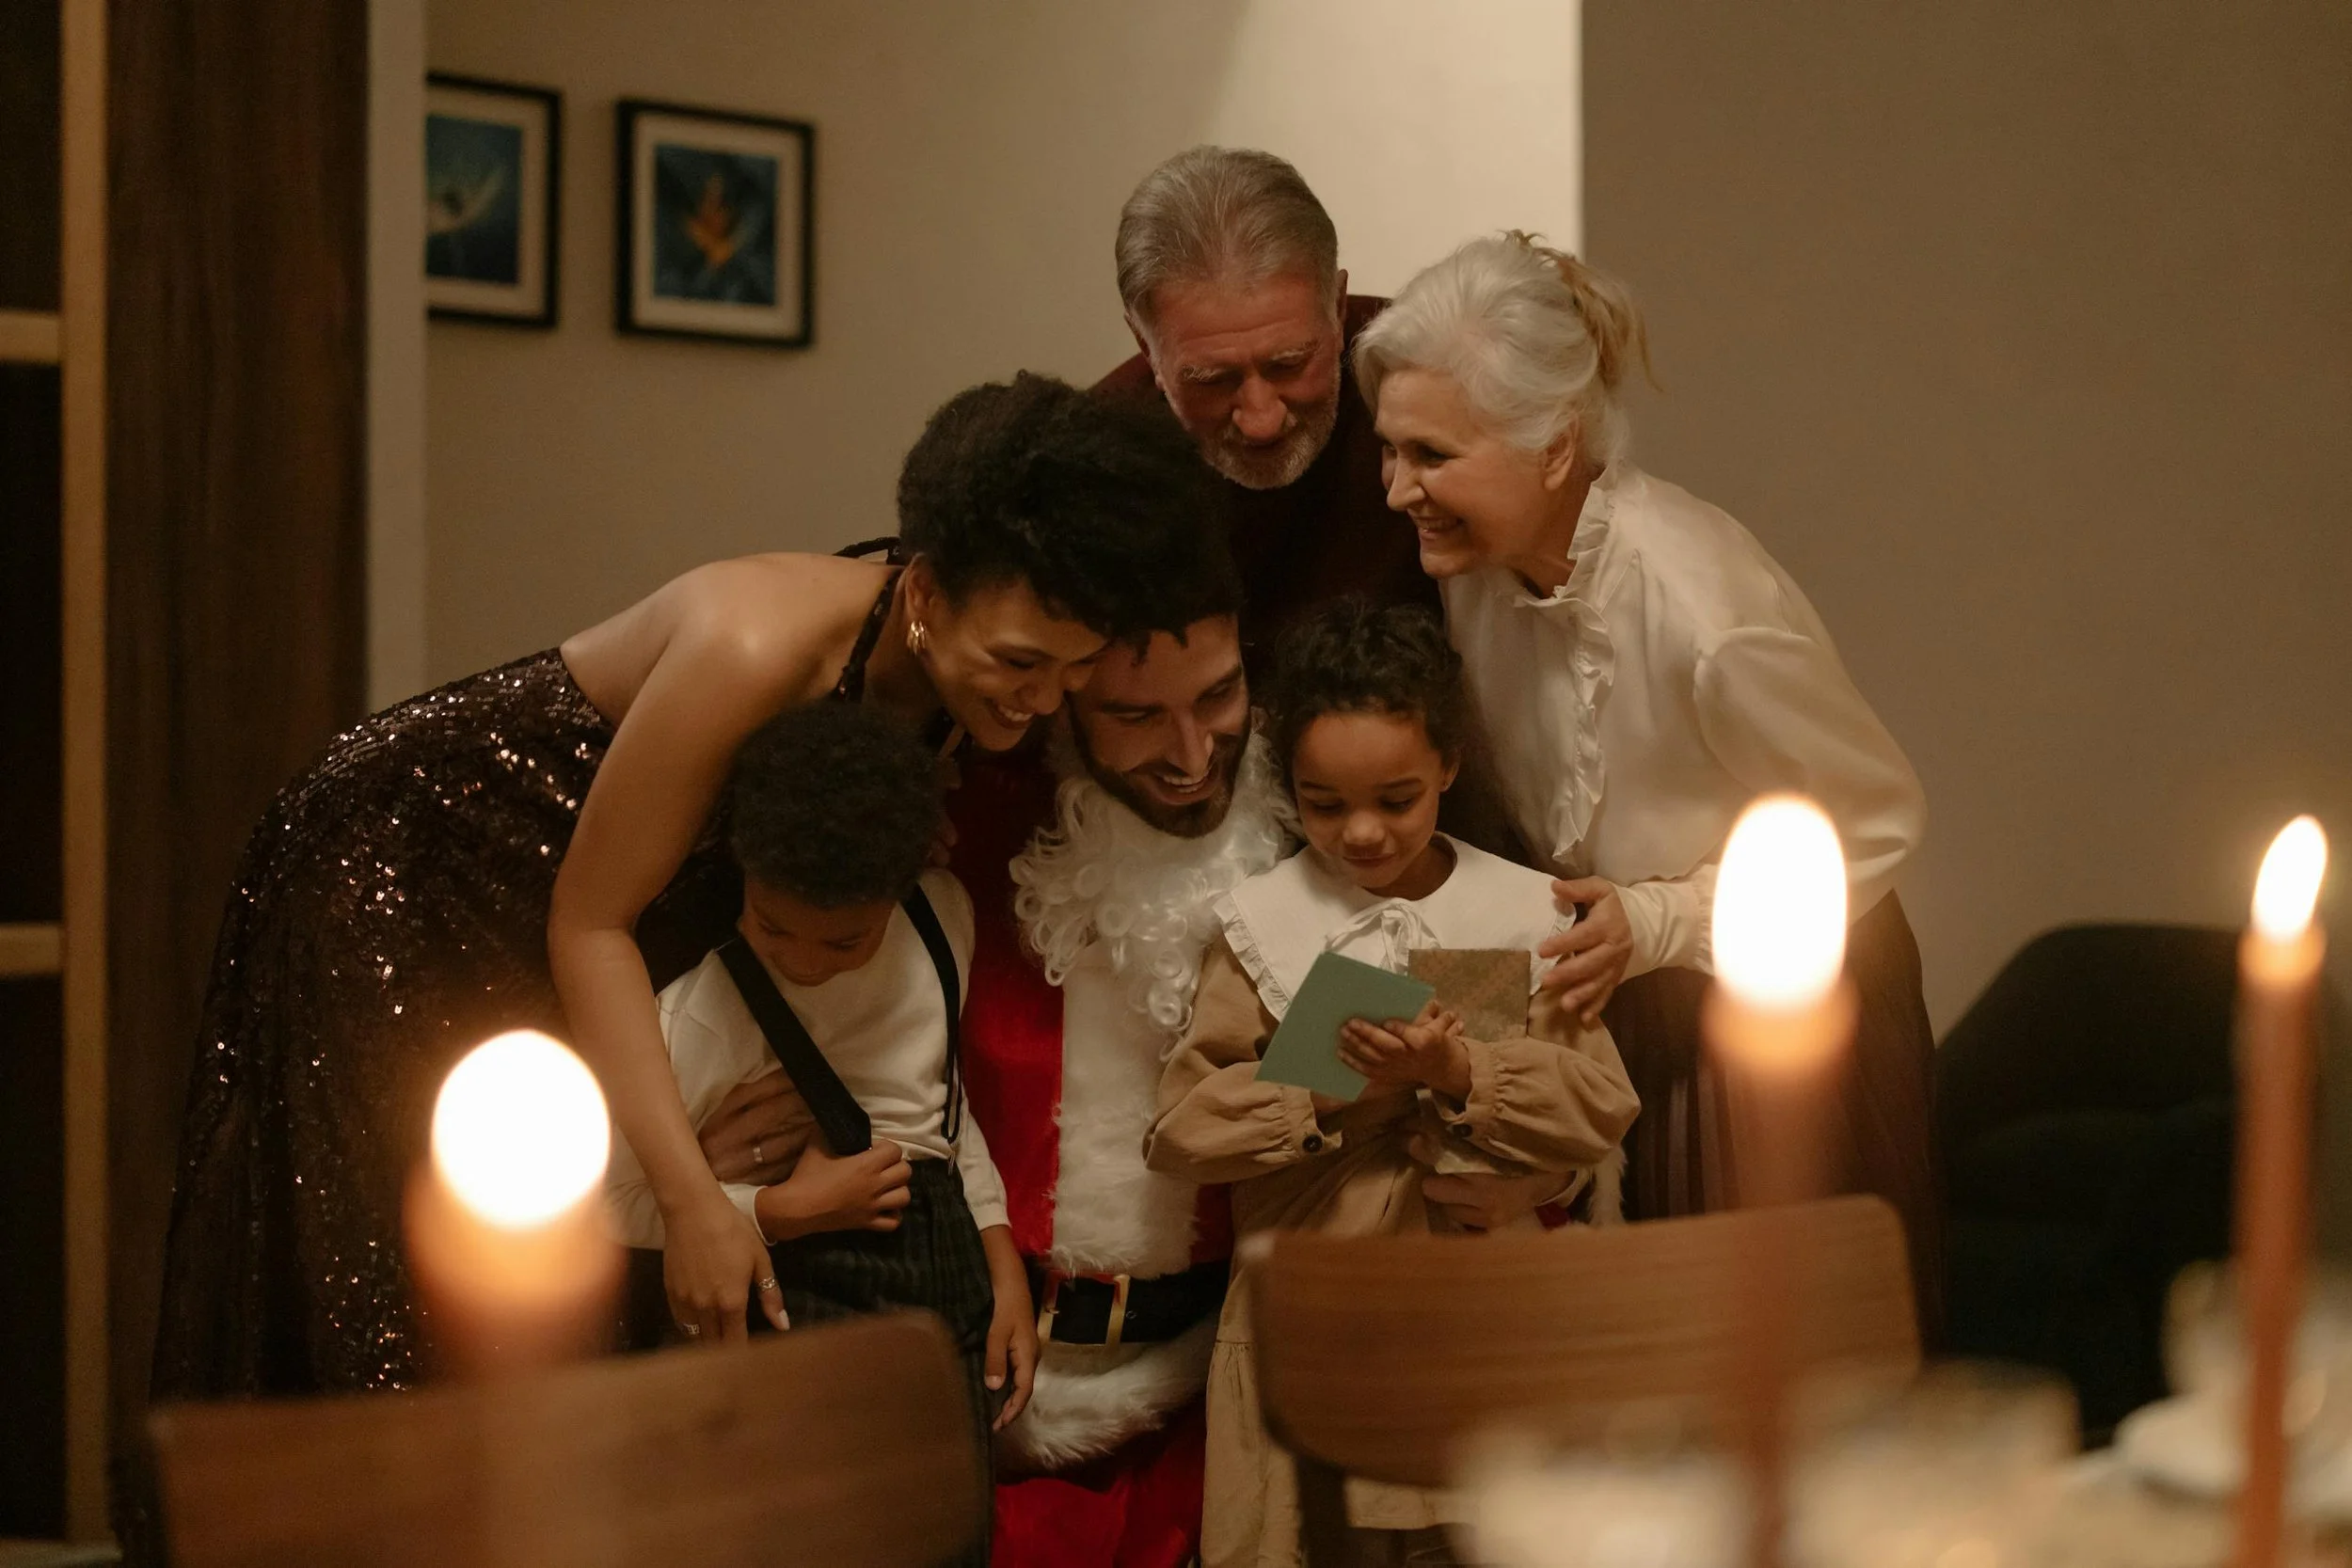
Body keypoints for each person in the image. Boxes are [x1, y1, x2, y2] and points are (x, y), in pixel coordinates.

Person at [149, 372, 1229, 1418]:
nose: (1042, 701)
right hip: (405, 859)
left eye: (1072, 670)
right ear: (924, 594)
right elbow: (592, 920)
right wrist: (692, 1199)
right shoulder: (752, 645)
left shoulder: (954, 681)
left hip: (587, 897)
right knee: (404, 1283)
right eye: (1018, 662)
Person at [1354, 231, 1944, 1332]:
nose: (1397, 492)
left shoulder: (1705, 611)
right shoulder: (1476, 578)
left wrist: (1664, 919)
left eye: (1430, 456)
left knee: (1779, 1365)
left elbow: (1874, 820)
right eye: (1389, 453)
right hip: (1617, 996)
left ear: (1553, 445)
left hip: (1786, 998)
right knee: (1640, 1370)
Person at [1146, 599, 1639, 1568]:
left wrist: (1458, 1069)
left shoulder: (1512, 910)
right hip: (1314, 1325)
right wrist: (1331, 1089)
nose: (1361, 833)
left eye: (1396, 797)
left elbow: (1597, 1102)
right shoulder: (1261, 926)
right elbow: (1181, 1130)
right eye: (1324, 803)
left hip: (1478, 1328)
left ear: (1449, 766)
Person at [603, 704, 1037, 1555]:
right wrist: (775, 1212)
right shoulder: (702, 1012)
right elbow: (604, 1205)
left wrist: (1002, 1258)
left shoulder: (942, 918)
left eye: (845, 940)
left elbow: (940, 1110)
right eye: (774, 928)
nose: (803, 960)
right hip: (786, 1316)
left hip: (945, 1302)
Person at [1099, 145, 1437, 675]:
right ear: (1146, 348)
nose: (1262, 419)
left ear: (1339, 305)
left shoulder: (1433, 382)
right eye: (1212, 380)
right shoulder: (1092, 459)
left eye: (1289, 365)